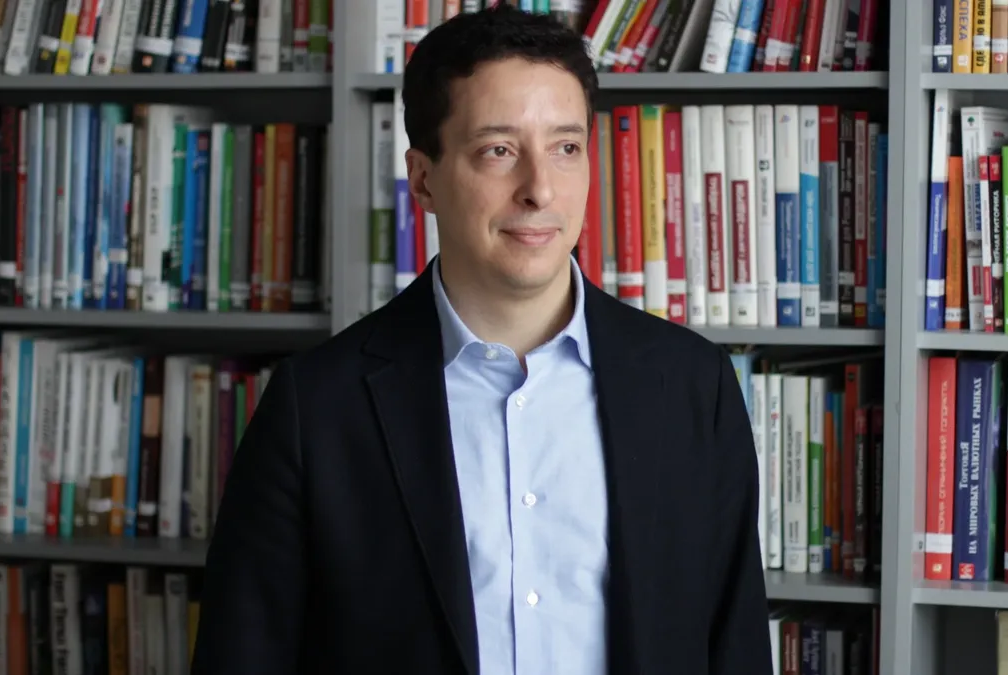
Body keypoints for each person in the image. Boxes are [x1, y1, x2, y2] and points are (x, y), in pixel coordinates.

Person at [189, 5, 770, 674]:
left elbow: (734, 646)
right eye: (499, 150)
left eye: (566, 147)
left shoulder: (693, 385)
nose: (539, 189)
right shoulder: (314, 406)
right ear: (423, 179)